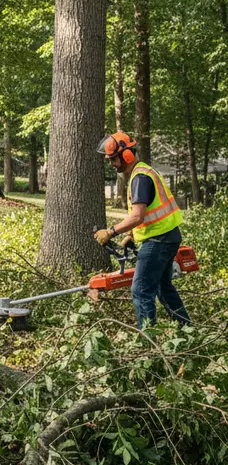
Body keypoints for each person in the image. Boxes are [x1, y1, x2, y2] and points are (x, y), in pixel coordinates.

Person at [95, 132, 191, 329]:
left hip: (158, 241)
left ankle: (148, 339)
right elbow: (146, 214)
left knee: (141, 290)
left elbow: (137, 216)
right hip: (168, 237)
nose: (112, 164)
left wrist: (111, 232)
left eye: (114, 159)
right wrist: (131, 235)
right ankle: (186, 328)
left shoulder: (140, 178)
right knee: (163, 287)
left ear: (127, 156)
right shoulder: (145, 172)